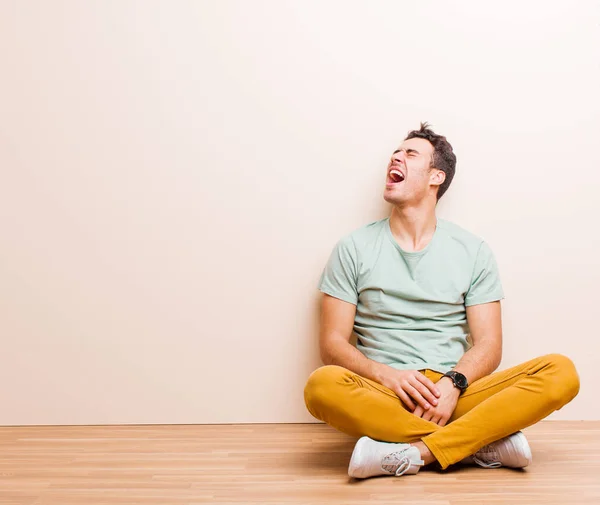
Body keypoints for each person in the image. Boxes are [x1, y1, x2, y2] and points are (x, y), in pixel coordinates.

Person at [303, 122, 580, 479]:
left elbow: (490, 345)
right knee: (320, 387)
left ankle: (415, 452)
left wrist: (453, 384)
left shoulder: (473, 250)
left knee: (560, 372)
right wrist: (387, 376)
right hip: (387, 392)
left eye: (409, 153)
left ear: (436, 176)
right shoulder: (353, 248)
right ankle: (478, 444)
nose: (395, 157)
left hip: (456, 393)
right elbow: (331, 344)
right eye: (395, 152)